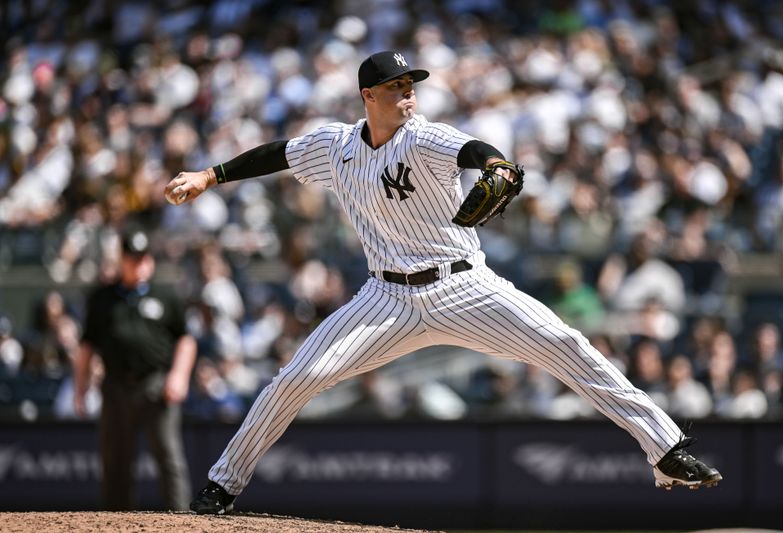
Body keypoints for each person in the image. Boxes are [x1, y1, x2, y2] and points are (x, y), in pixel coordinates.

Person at [165, 51, 722, 515]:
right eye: (395, 86)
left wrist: (497, 166)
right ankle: (222, 486)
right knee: (297, 376)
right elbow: (277, 154)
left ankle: (666, 447)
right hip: (384, 298)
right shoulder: (335, 146)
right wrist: (209, 176)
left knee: (564, 344)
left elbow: (473, 151)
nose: (408, 94)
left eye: (411, 85)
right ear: (367, 96)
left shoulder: (423, 138)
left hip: (463, 288)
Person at [72, 229, 197, 511]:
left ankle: (182, 522)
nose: (138, 265)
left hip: (156, 385)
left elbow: (185, 340)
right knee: (115, 460)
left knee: (168, 458)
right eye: (132, 259)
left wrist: (178, 376)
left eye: (142, 259)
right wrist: (80, 389)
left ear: (150, 261)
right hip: (115, 386)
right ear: (121, 261)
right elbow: (86, 347)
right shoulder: (102, 299)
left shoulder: (166, 295)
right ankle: (116, 522)